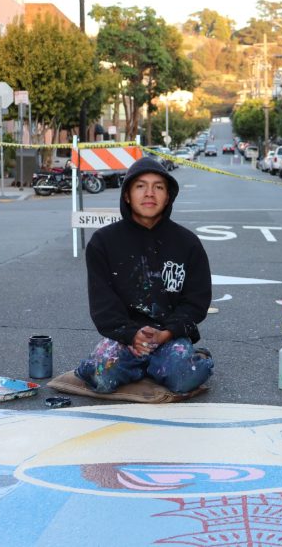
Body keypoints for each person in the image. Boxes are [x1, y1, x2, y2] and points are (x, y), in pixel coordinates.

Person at [75, 157, 214, 394]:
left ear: (168, 196)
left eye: (158, 187)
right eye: (140, 186)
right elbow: (103, 305)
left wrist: (166, 333)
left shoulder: (188, 243)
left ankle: (185, 359)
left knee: (185, 378)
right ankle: (145, 368)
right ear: (127, 195)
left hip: (170, 336)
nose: (149, 193)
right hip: (123, 338)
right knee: (101, 377)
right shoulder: (103, 243)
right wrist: (131, 335)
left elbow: (196, 302)